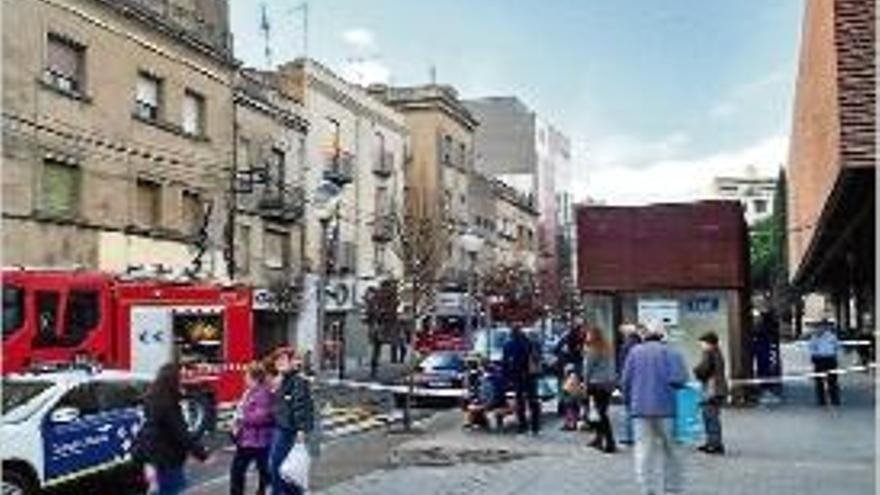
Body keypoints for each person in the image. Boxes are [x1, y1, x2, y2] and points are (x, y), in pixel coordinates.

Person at [622, 325, 688, 495]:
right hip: (666, 408)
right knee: (671, 450)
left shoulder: (634, 352)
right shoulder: (671, 352)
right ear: (661, 336)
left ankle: (647, 489)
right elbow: (680, 379)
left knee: (643, 451)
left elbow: (625, 381)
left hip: (640, 409)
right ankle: (671, 489)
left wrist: (629, 403)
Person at [138, 363, 209, 495]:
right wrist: (202, 454)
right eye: (180, 378)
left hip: (154, 457)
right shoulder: (169, 404)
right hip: (168, 459)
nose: (183, 381)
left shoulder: (152, 398)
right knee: (170, 489)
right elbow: (181, 434)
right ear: (171, 380)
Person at [268, 347, 315, 495]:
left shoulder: (298, 381)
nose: (279, 363)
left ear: (291, 362)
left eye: (283, 360)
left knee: (277, 466)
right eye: (277, 360)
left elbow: (302, 406)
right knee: (280, 467)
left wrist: (301, 430)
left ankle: (287, 492)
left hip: (289, 430)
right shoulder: (281, 380)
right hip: (279, 427)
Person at [230, 362, 275, 495]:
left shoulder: (263, 393)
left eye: (246, 375)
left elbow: (261, 417)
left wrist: (241, 419)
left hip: (257, 441)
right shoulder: (250, 391)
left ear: (254, 377)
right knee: (259, 471)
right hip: (248, 439)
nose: (244, 377)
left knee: (242, 472)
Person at [502, 323, 541, 434]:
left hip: (517, 375)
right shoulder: (529, 343)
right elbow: (536, 358)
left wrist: (507, 378)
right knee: (533, 400)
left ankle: (522, 426)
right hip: (530, 375)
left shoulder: (509, 345)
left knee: (520, 401)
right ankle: (535, 426)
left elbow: (506, 363)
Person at [693, 331, 728, 455]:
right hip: (717, 389)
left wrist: (695, 370)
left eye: (702, 343)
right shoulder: (717, 352)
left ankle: (714, 445)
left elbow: (703, 369)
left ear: (708, 343)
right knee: (711, 417)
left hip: (712, 390)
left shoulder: (709, 353)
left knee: (710, 417)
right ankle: (712, 443)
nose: (701, 345)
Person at [584, 327, 617, 453]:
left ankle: (610, 442)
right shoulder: (607, 349)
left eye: (588, 334)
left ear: (593, 336)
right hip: (607, 385)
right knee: (600, 412)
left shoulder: (592, 350)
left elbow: (587, 369)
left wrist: (585, 383)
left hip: (596, 384)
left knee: (600, 414)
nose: (586, 336)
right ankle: (598, 439)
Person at [617, 323, 642, 445]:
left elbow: (624, 366)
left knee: (629, 409)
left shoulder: (627, 346)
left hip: (630, 380)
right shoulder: (640, 344)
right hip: (639, 380)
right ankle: (636, 435)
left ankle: (630, 436)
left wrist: (622, 382)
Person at [808, 320, 841, 406]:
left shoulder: (831, 337)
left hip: (830, 359)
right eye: (819, 327)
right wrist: (814, 357)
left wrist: (835, 357)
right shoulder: (814, 337)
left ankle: (835, 400)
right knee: (819, 382)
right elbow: (811, 348)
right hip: (819, 360)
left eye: (822, 327)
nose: (820, 329)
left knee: (832, 381)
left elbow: (837, 347)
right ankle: (821, 400)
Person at [560, 363, 585, 431]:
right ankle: (572, 424)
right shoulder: (575, 376)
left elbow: (567, 388)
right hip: (575, 396)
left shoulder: (571, 377)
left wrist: (564, 391)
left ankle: (571, 424)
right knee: (574, 411)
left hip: (570, 396)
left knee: (570, 411)